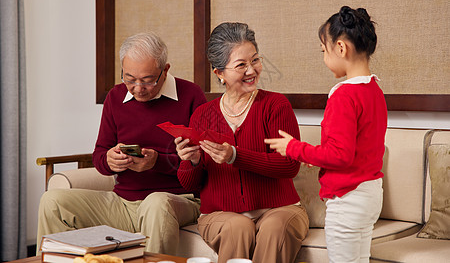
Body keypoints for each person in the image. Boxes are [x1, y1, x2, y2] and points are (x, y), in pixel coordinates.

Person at [36, 32, 207, 255]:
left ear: (165, 70)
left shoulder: (191, 95)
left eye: (147, 80)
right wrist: (109, 160)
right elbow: (99, 156)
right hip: (123, 202)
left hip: (177, 200)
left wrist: (157, 162)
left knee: (156, 203)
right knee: (53, 201)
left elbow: (204, 161)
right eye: (129, 79)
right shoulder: (115, 97)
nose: (137, 88)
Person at [175, 22, 309, 263]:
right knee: (238, 227)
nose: (252, 70)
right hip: (220, 215)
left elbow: (289, 165)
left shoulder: (276, 105)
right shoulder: (203, 115)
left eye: (255, 60)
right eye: (241, 65)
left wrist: (235, 156)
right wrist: (191, 161)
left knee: (275, 229)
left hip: (280, 209)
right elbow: (190, 184)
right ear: (220, 73)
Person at [265, 6, 387, 263]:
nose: (324, 58)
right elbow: (355, 148)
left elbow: (340, 155)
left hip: (348, 198)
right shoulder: (374, 89)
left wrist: (294, 148)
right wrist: (318, 155)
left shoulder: (343, 94)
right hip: (371, 194)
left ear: (341, 48)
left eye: (324, 50)